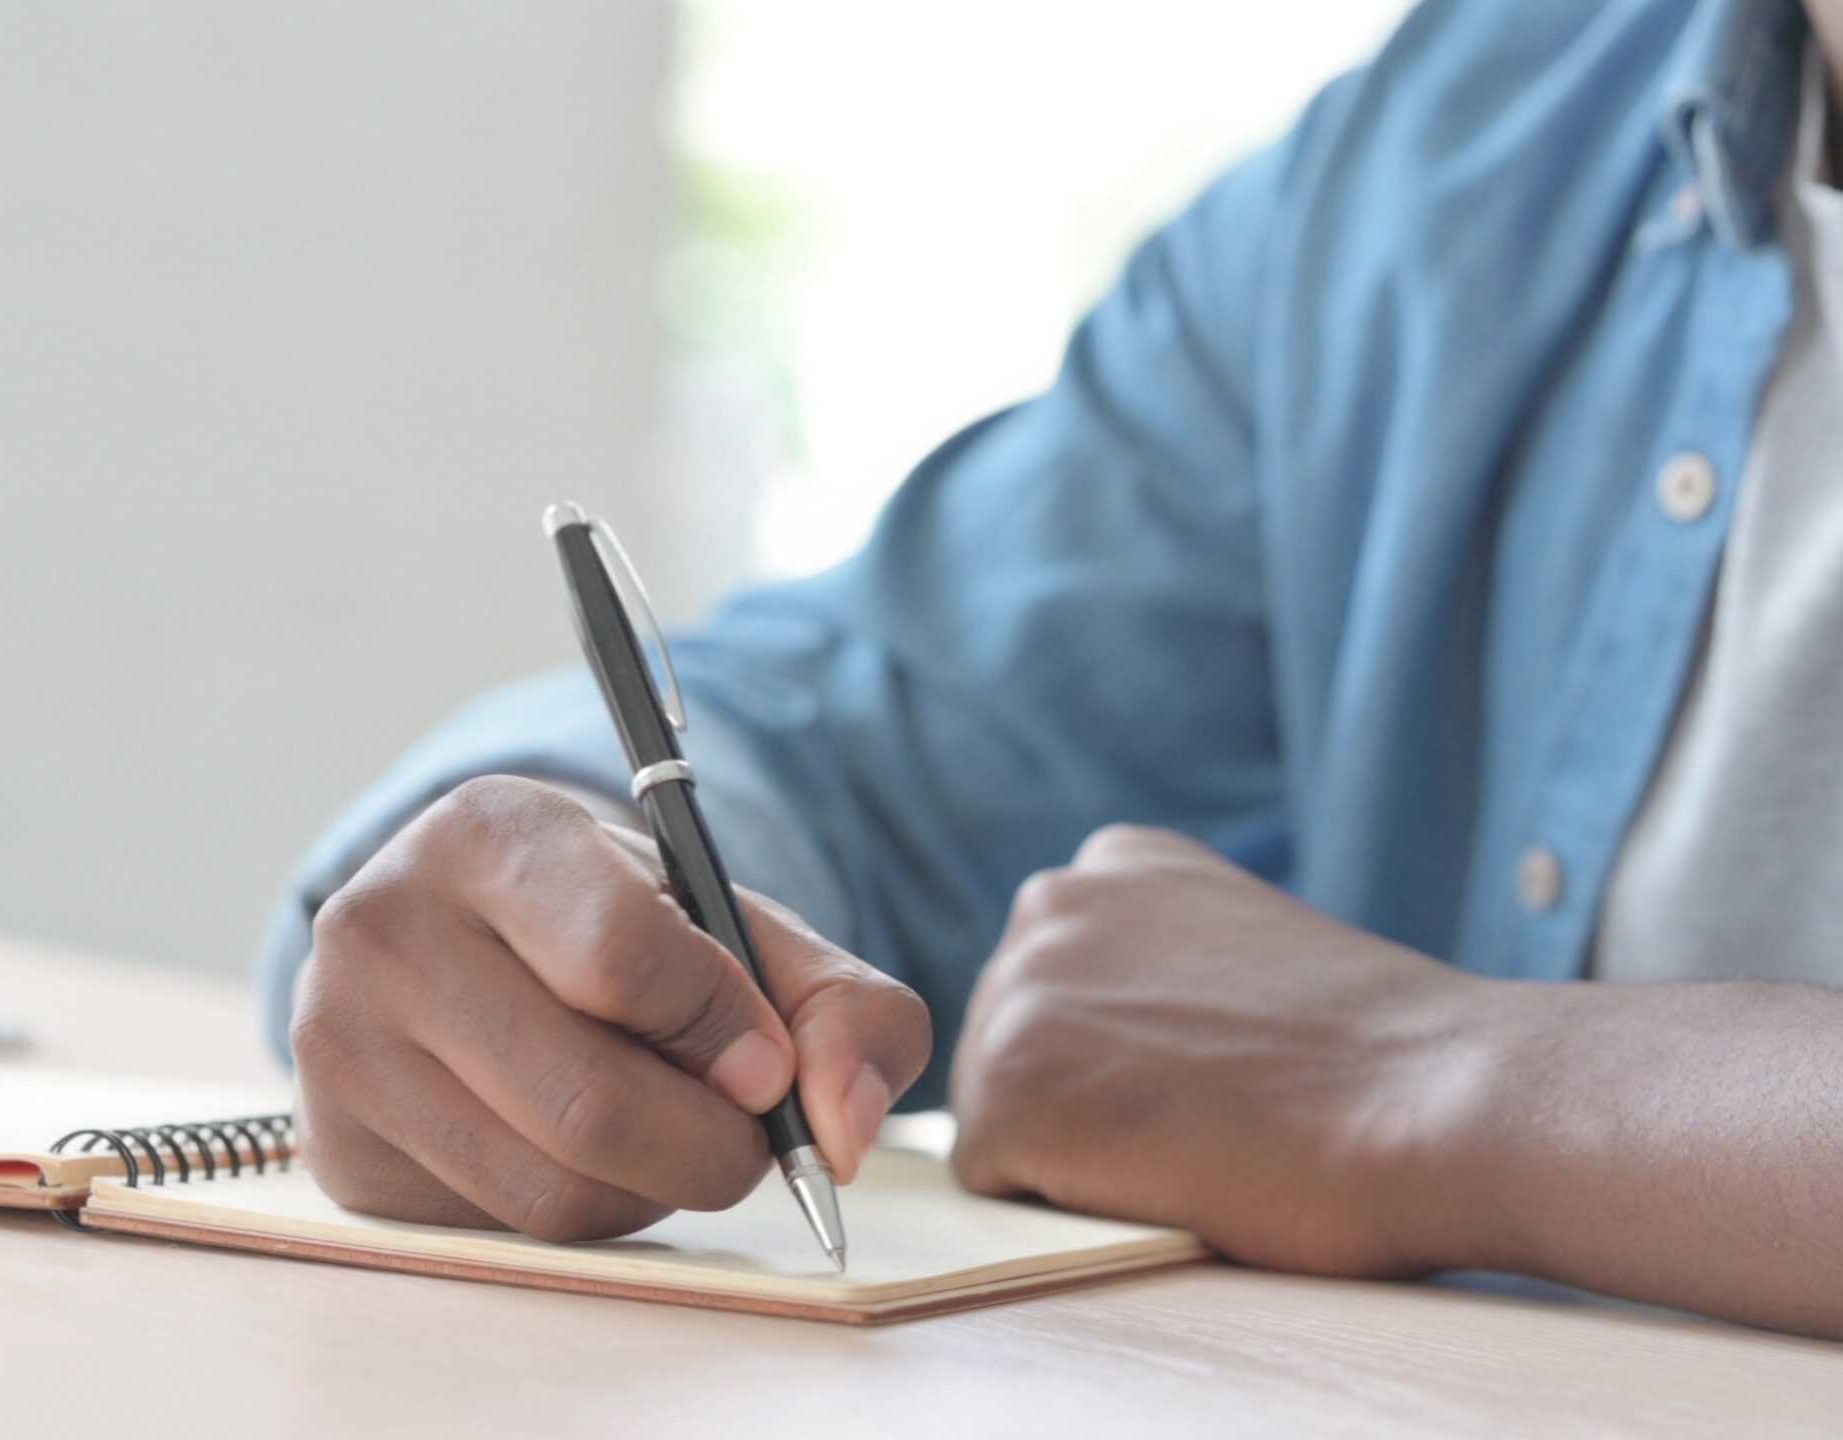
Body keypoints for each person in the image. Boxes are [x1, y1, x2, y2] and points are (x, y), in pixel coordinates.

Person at [258, 0, 1843, 1339]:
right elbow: (876, 729)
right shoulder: (1476, 136)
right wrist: (549, 876)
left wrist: (1437, 1086)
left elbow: (1394, 1083)